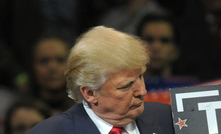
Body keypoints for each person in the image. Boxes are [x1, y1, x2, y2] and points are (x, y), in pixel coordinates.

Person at [27, 26, 174, 134]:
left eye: (140, 76)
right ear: (90, 93)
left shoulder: (171, 118)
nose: (142, 91)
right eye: (126, 85)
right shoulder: (49, 132)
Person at [26, 33, 74, 115]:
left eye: (60, 60)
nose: (52, 68)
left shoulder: (90, 109)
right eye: (44, 61)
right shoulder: (21, 113)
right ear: (32, 66)